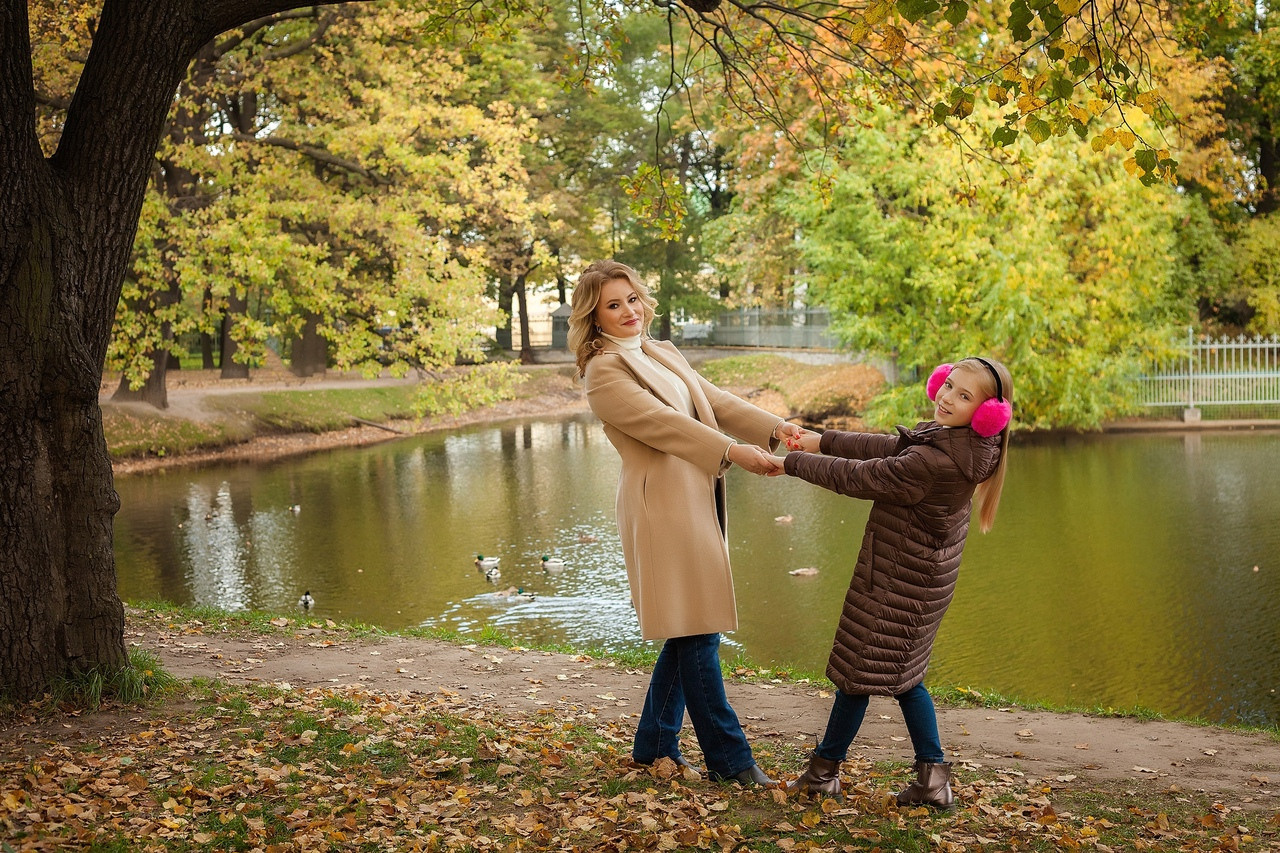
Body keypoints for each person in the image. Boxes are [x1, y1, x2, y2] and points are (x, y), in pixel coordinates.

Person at [569, 259, 802, 786]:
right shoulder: (603, 372)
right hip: (662, 508)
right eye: (613, 304)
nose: (628, 311)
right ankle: (730, 760)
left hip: (695, 497)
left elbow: (712, 402)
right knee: (698, 630)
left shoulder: (659, 350)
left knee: (690, 627)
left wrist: (778, 430)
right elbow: (665, 426)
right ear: (594, 316)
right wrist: (735, 453)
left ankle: (654, 744)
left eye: (632, 298)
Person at [765, 356, 1013, 808]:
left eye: (963, 395)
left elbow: (864, 477)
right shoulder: (959, 443)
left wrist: (793, 464)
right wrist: (821, 441)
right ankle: (930, 778)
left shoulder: (937, 460)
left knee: (858, 674)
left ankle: (826, 773)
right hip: (917, 579)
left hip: (900, 581)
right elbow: (886, 447)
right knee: (901, 677)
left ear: (985, 413)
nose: (946, 396)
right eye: (948, 384)